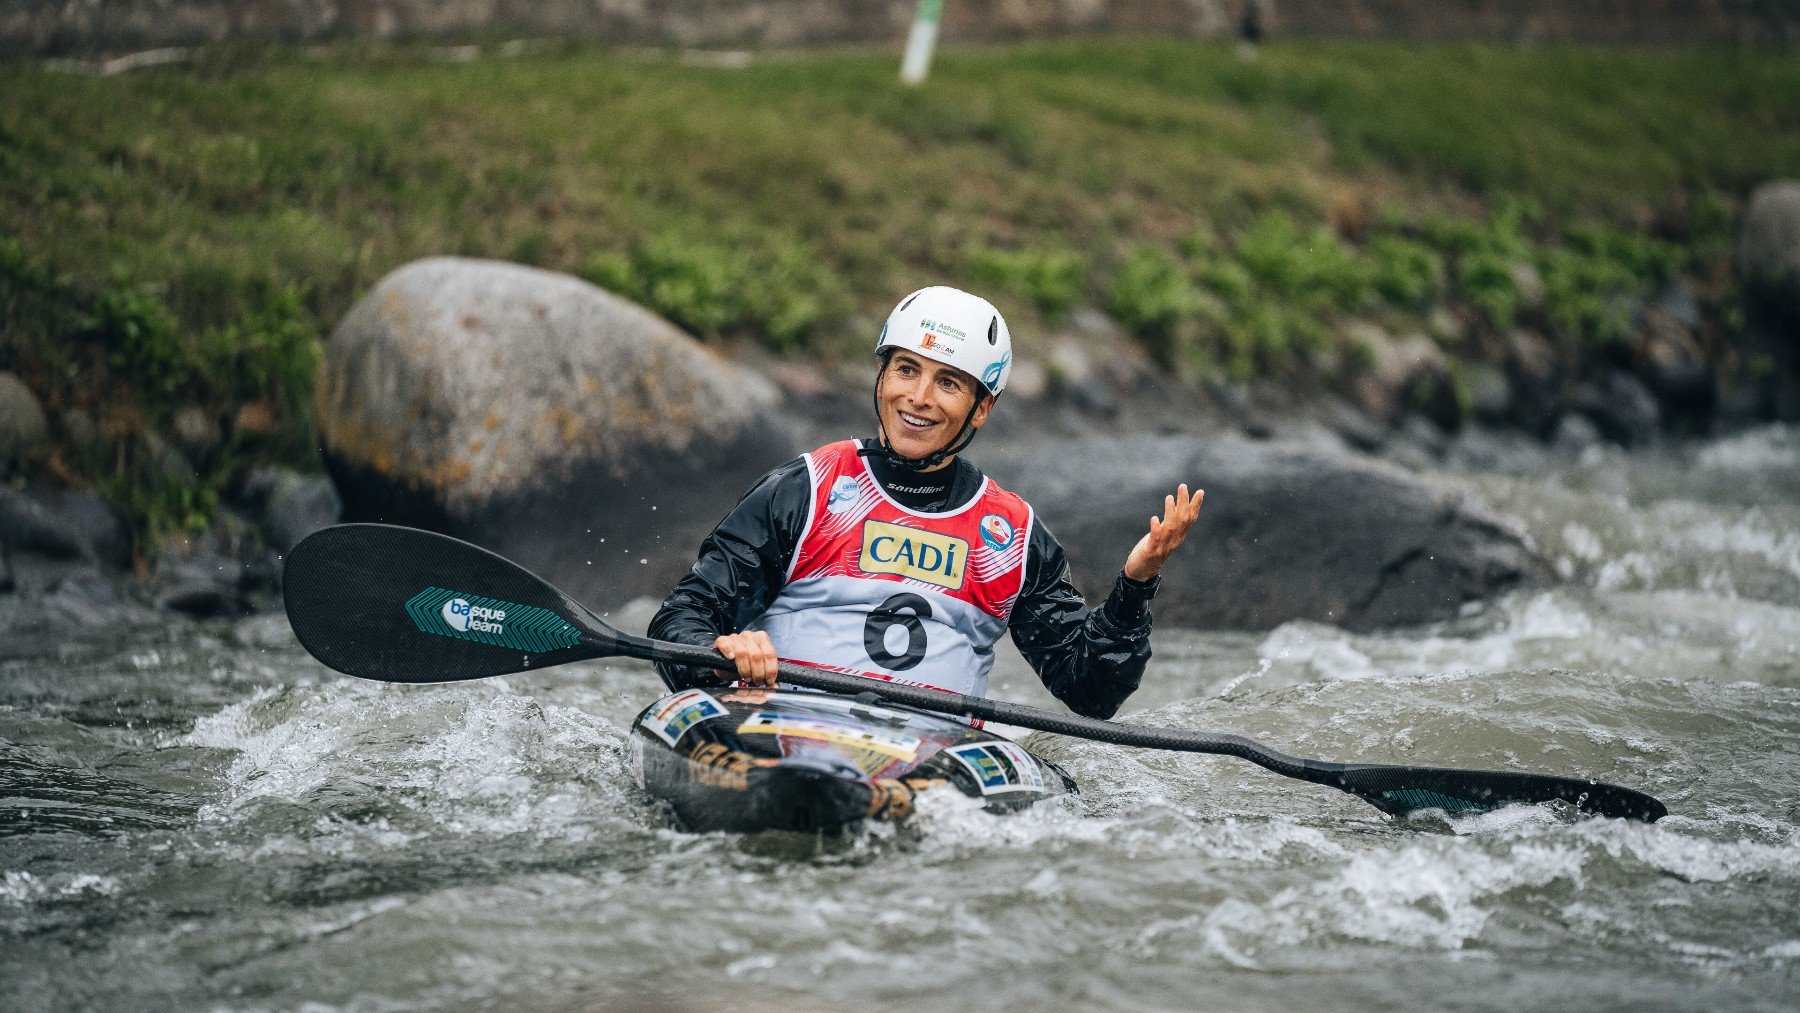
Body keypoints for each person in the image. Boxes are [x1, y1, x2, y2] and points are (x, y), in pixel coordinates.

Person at [649, 286, 1204, 720]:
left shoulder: (1008, 537)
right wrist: (722, 653)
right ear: (881, 375)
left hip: (923, 761)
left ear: (981, 409)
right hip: (783, 731)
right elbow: (681, 619)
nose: (918, 398)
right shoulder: (804, 491)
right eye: (906, 370)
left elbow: (1090, 693)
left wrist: (1135, 586)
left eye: (948, 383)